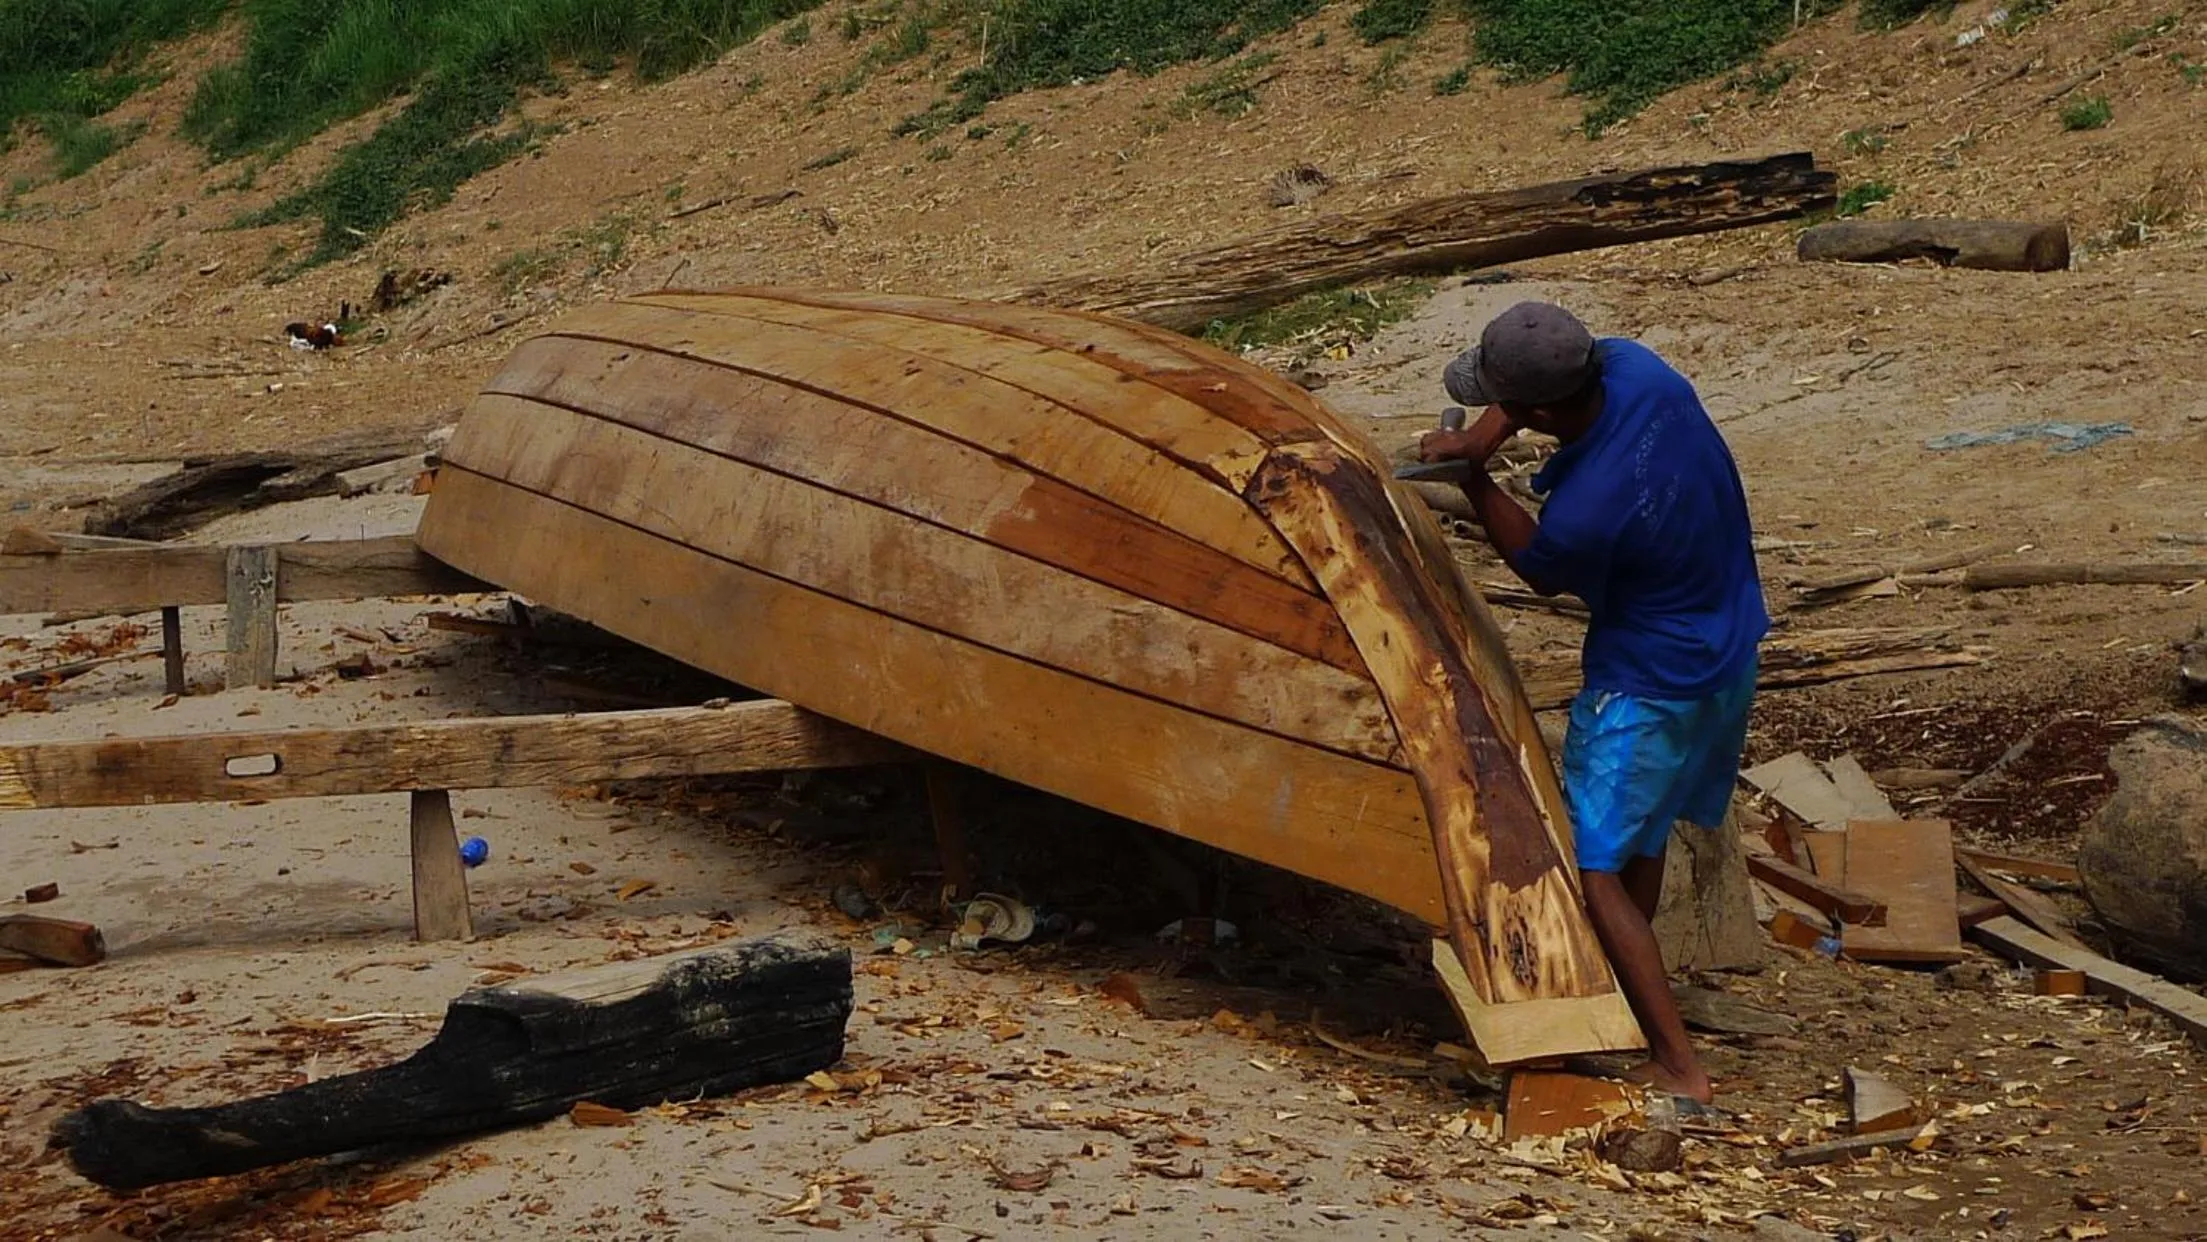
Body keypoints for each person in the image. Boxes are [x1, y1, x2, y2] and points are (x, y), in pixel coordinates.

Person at [1418, 301, 1768, 1104]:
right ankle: (1624, 1002)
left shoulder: (1586, 510)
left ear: (1540, 413)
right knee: (1638, 839)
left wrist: (1472, 478)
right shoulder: (1638, 370)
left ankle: (1680, 1068)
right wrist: (1479, 435)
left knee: (1594, 868)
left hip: (1647, 687)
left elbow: (1542, 566)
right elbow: (1542, 390)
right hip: (1727, 650)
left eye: (1503, 406)